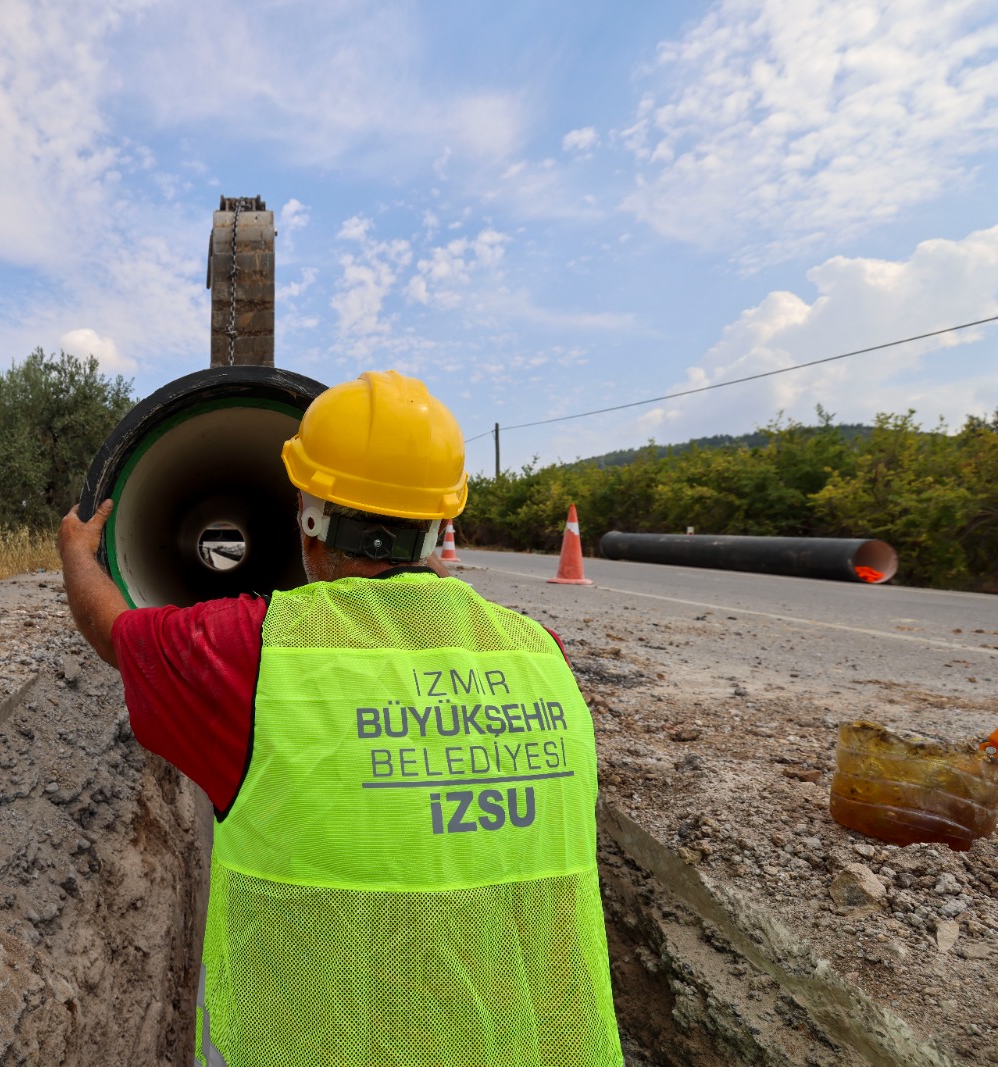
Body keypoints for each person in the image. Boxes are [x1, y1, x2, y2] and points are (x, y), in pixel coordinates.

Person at [58, 370, 621, 1066]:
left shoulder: (250, 654)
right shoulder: (542, 656)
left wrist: (78, 557)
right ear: (443, 523)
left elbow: (117, 631)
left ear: (310, 519)